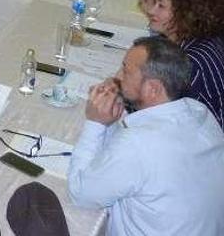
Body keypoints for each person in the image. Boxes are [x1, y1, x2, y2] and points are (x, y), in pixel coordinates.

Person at [68, 37, 224, 235]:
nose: (117, 76)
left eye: (126, 71)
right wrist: (116, 114)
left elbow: (81, 194)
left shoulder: (138, 144)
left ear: (153, 89)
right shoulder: (198, 111)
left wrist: (95, 122)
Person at [144, 0, 224, 127]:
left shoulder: (191, 62)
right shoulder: (195, 38)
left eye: (161, 5)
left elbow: (175, 121)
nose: (152, 11)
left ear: (185, 13)